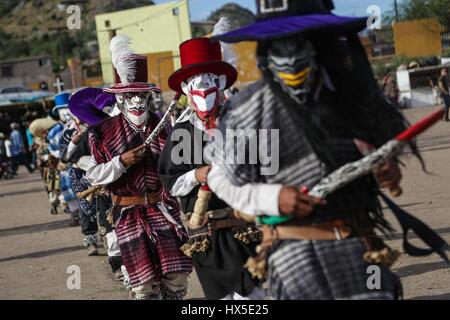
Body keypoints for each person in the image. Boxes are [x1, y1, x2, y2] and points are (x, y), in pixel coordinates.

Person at [206, 0, 428, 300]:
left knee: (381, 292)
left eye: (300, 41)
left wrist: (385, 171)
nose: (291, 54)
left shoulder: (353, 96)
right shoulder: (246, 111)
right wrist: (273, 198)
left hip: (362, 245)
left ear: (320, 41)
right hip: (293, 251)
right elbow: (222, 179)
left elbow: (372, 156)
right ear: (266, 49)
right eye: (279, 43)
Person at [86, 35, 192, 300]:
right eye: (130, 95)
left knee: (177, 275)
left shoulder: (165, 125)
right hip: (128, 212)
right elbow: (94, 175)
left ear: (148, 96)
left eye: (141, 95)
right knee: (143, 285)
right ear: (120, 99)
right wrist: (121, 162)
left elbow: (179, 167)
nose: (136, 101)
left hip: (162, 208)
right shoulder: (102, 132)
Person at [158, 36, 261, 300]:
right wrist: (197, 174)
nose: (203, 90)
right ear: (186, 89)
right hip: (204, 234)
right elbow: (170, 182)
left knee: (255, 296)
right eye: (195, 85)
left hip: (244, 229)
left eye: (208, 83)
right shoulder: (182, 132)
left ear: (220, 84)